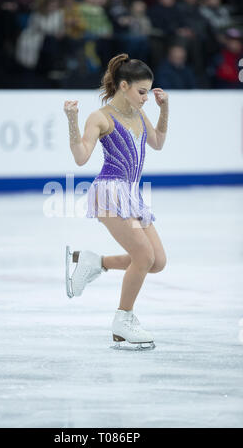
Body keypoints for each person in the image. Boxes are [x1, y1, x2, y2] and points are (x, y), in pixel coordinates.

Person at [64, 53, 169, 350]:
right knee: (144, 257)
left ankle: (95, 262)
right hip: (109, 193)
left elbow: (158, 142)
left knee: (157, 262)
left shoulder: (139, 112)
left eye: (148, 91)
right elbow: (81, 157)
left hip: (132, 194)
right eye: (142, 91)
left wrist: (165, 109)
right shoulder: (101, 117)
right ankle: (123, 321)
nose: (146, 97)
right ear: (124, 86)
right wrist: (72, 119)